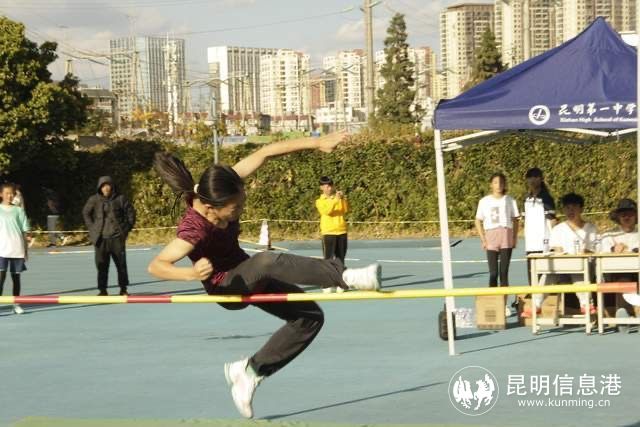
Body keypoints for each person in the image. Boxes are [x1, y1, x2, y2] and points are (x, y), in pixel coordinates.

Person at [148, 133, 381, 419]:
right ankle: (345, 276)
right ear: (211, 208)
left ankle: (250, 372)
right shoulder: (194, 229)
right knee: (267, 259)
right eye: (236, 208)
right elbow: (156, 265)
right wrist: (191, 273)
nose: (241, 209)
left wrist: (317, 143)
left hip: (249, 273)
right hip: (226, 287)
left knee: (309, 317)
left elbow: (266, 152)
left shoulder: (223, 185)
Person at [538, 193, 598, 315]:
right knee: (548, 273)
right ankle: (536, 304)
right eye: (567, 208)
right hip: (562, 268)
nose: (571, 211)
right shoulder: (558, 229)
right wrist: (558, 251)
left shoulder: (590, 228)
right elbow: (555, 249)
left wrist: (586, 251)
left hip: (584, 267)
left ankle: (586, 304)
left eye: (574, 207)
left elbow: (595, 249)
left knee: (578, 271)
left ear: (581, 209)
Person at [475, 173, 520, 316]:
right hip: (491, 236)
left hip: (506, 235)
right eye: (495, 182)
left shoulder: (510, 200)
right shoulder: (484, 201)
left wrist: (514, 237)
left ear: (504, 184)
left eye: (501, 182)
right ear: (491, 184)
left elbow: (516, 220)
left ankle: (504, 305)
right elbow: (478, 220)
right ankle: (493, 302)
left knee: (504, 273)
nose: (498, 185)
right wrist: (483, 239)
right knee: (493, 273)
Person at [82, 176, 136, 296]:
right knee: (101, 266)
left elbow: (131, 214)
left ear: (112, 186)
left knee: (121, 265)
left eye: (108, 185)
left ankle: (123, 289)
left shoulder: (120, 199)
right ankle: (102, 290)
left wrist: (126, 229)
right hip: (100, 239)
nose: (106, 188)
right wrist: (92, 228)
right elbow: (86, 213)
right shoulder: (94, 199)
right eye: (103, 186)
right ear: (99, 188)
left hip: (117, 238)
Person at [600, 198, 639, 330]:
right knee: (623, 276)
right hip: (617, 272)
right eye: (623, 214)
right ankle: (623, 313)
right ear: (617, 217)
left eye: (630, 214)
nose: (627, 217)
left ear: (636, 215)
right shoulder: (609, 235)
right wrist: (613, 249)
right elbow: (602, 250)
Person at [0, 183, 30, 315]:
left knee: (16, 279)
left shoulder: (19, 210)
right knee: (1, 278)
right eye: (7, 193)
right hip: (1, 250)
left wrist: (26, 251)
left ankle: (16, 304)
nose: (10, 196)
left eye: (12, 193)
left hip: (17, 249)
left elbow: (24, 231)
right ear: (1, 194)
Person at [315, 176, 349, 293]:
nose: (328, 188)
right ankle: (327, 283)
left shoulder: (338, 198)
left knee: (340, 259)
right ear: (321, 188)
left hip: (341, 231)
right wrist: (335, 200)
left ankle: (340, 282)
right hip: (328, 232)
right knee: (328, 260)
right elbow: (327, 211)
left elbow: (345, 210)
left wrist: (342, 199)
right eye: (326, 186)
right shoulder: (319, 201)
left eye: (330, 186)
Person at [522, 168, 557, 282]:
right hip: (530, 245)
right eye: (530, 177)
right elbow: (525, 220)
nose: (532, 180)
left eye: (536, 177)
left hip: (544, 245)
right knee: (532, 280)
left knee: (545, 280)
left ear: (541, 179)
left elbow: (552, 220)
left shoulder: (546, 198)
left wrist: (556, 241)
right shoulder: (526, 199)